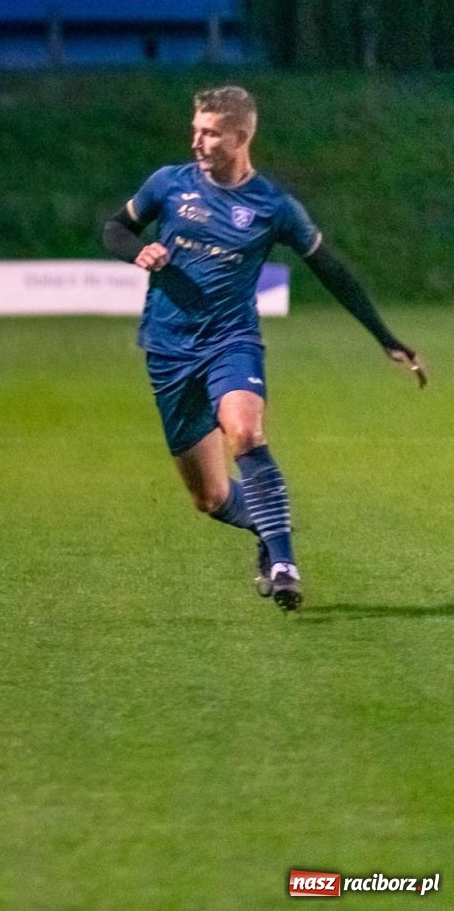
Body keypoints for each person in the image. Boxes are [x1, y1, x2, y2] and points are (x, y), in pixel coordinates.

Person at [102, 86, 425, 611]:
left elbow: (332, 270)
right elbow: (115, 228)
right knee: (208, 498)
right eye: (196, 131)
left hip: (232, 340)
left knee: (246, 432)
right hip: (167, 348)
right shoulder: (169, 184)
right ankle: (266, 529)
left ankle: (283, 563)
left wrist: (385, 337)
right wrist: (139, 250)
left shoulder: (274, 207)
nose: (198, 142)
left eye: (210, 133)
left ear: (241, 136)